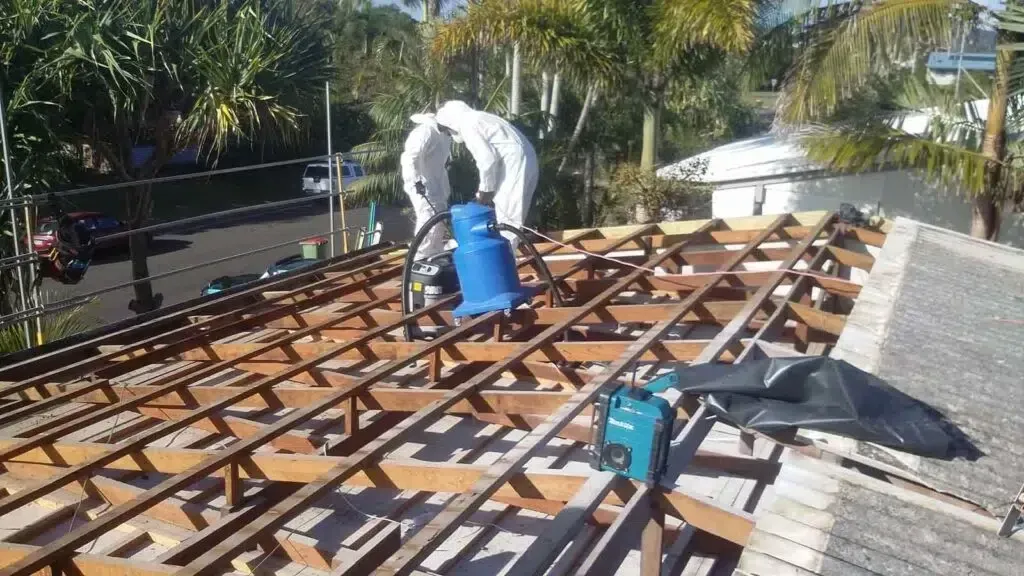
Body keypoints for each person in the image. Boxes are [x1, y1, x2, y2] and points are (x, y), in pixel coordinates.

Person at [434, 100, 538, 250]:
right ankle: (509, 250)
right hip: (523, 158)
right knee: (511, 212)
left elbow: (487, 160)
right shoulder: (480, 117)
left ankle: (505, 259)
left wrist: (485, 191)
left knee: (508, 217)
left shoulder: (468, 124)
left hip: (513, 162)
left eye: (448, 130)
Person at [401, 112, 452, 260]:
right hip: (422, 185)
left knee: (439, 222)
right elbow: (410, 158)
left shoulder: (444, 136)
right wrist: (416, 180)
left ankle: (434, 256)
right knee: (428, 220)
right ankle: (419, 259)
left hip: (436, 184)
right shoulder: (425, 132)